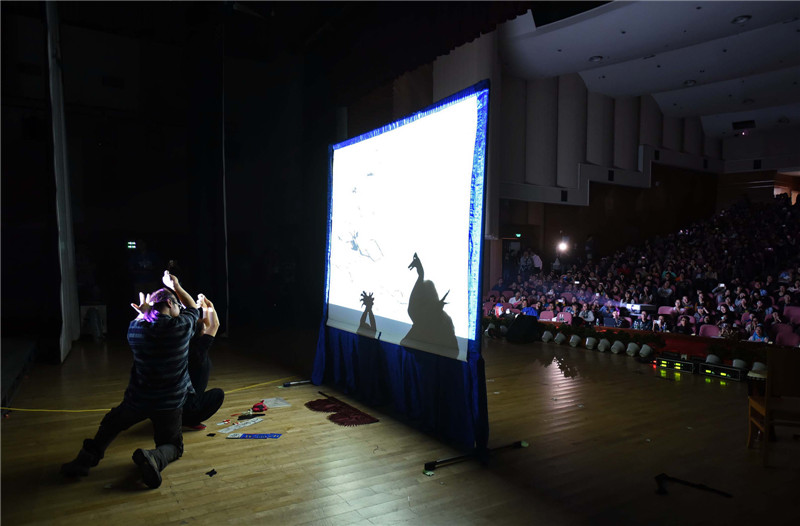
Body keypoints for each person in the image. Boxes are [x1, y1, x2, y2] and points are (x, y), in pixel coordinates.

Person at [61, 271, 201, 489]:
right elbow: (193, 308)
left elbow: (148, 319)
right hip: (170, 403)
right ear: (171, 303)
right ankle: (153, 458)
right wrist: (176, 286)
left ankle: (84, 460)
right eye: (177, 307)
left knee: (111, 424)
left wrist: (146, 312)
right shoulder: (180, 329)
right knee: (172, 446)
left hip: (138, 399)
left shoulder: (134, 329)